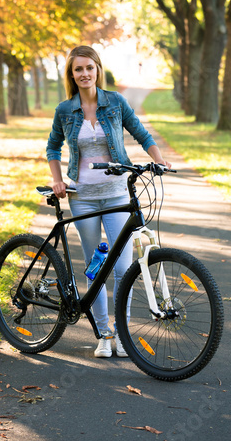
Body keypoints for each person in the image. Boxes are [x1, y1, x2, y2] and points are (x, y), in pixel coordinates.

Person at [46, 45, 171, 358]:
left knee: (123, 268)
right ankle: (103, 334)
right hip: (83, 199)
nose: (85, 74)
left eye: (89, 68)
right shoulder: (65, 109)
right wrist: (58, 179)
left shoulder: (115, 102)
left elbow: (142, 134)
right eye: (78, 69)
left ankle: (123, 334)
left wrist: (159, 161)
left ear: (97, 69)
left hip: (117, 194)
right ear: (72, 75)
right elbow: (52, 148)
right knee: (96, 268)